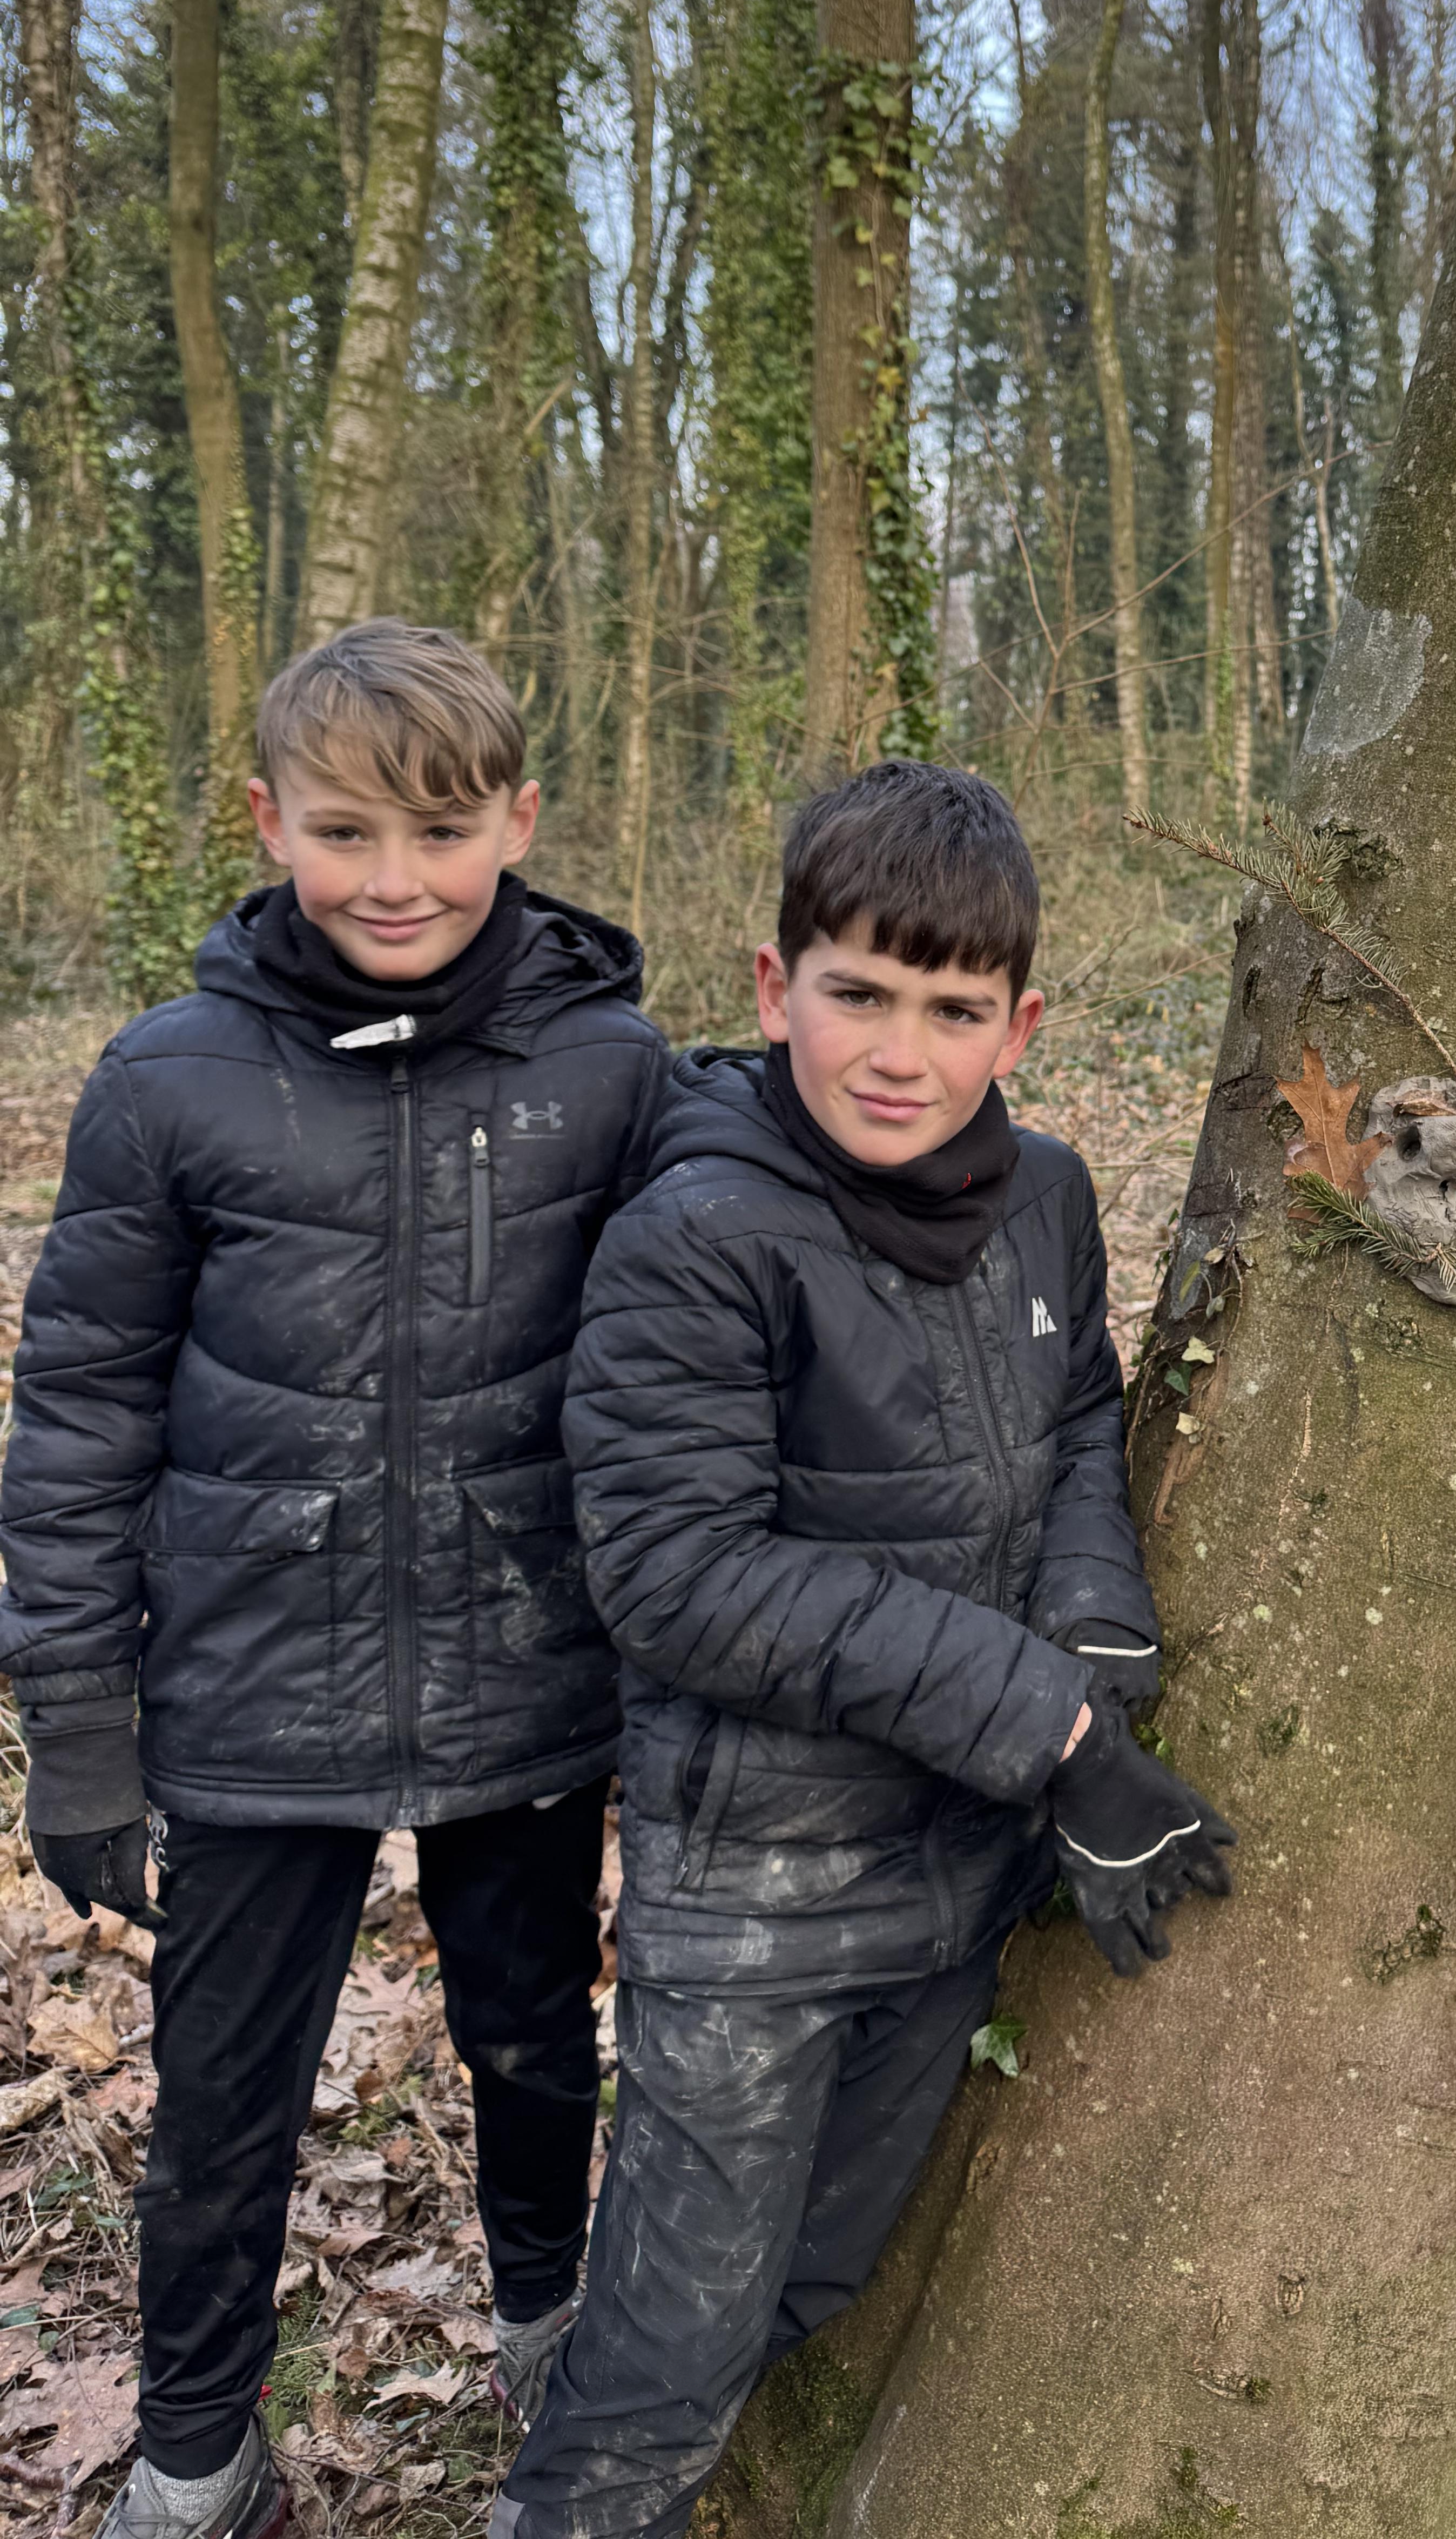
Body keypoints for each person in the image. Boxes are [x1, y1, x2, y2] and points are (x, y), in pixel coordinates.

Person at [493, 759, 1233, 2539]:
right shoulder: (698, 1236)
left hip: (958, 1870)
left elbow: (1079, 1415)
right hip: (757, 1896)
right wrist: (1051, 1727)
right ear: (775, 990)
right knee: (669, 2356)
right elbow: (678, 1573)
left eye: (952, 1011)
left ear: (1020, 1026)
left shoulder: (1045, 1196)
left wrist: (1095, 1631)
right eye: (860, 995)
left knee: (820, 2275)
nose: (899, 1053)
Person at [0, 622, 668, 2539]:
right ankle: (198, 2452)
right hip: (247, 1685)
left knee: (535, 2039)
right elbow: (80, 1414)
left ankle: (546, 2323)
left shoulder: (613, 1072)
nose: (396, 879)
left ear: (518, 822)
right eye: (346, 831)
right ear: (268, 819)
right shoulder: (169, 1082)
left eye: (441, 833)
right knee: (221, 2100)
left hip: (524, 1661)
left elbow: (715, 1340)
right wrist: (79, 1721)